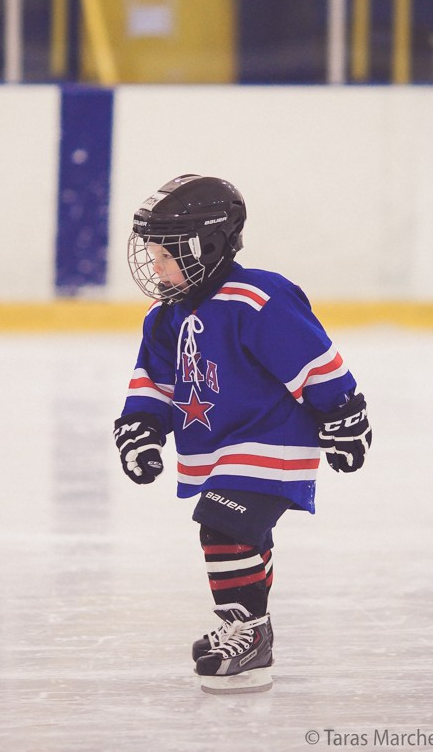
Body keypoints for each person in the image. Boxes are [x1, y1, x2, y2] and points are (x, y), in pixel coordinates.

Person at [111, 175, 372, 695]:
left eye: (165, 254)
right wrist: (140, 427)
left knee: (221, 525)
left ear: (203, 246)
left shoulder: (257, 298)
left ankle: (248, 631)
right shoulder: (165, 316)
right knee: (242, 533)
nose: (154, 267)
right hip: (219, 445)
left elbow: (314, 361)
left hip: (271, 439)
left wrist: (345, 416)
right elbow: (155, 382)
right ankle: (254, 627)